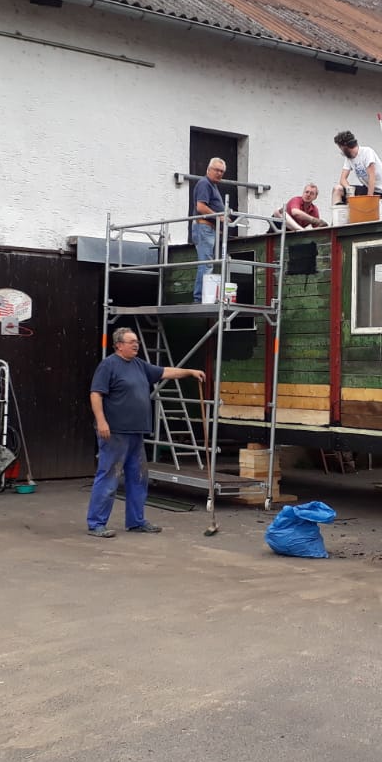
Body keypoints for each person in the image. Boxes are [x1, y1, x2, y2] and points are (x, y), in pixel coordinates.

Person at [86, 328, 206, 538]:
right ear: (119, 345)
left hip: (136, 433)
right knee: (109, 476)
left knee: (139, 477)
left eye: (137, 342)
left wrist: (189, 372)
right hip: (115, 432)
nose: (136, 345)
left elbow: (165, 372)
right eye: (131, 342)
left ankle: (136, 521)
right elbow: (96, 394)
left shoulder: (139, 365)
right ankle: (96, 523)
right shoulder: (109, 365)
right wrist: (101, 421)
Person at [191, 157, 227, 302]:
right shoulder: (205, 183)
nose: (219, 173)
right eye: (217, 170)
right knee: (206, 264)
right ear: (208, 169)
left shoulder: (211, 185)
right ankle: (200, 298)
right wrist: (220, 217)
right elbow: (200, 207)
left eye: (222, 171)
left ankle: (203, 296)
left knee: (207, 263)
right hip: (204, 227)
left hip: (208, 228)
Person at [333, 130, 382, 204]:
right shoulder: (349, 158)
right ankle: (340, 214)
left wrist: (369, 200)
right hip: (368, 189)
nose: (341, 151)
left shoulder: (367, 152)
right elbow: (342, 179)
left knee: (365, 204)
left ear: (345, 146)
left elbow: (372, 177)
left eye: (340, 147)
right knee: (338, 189)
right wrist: (349, 189)